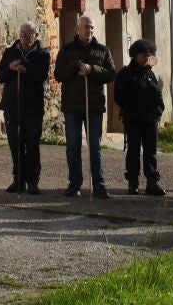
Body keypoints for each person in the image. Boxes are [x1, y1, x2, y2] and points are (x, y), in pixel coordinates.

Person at [54, 14, 115, 199]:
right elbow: (58, 75)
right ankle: (74, 184)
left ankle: (99, 185)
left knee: (94, 147)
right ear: (78, 29)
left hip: (94, 106)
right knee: (73, 147)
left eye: (91, 28)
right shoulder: (66, 50)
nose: (89, 31)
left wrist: (92, 69)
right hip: (72, 107)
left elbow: (111, 74)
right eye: (86, 27)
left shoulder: (102, 51)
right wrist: (75, 66)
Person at [0, 22, 50, 194]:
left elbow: (40, 76)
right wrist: (11, 67)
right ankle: (18, 180)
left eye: (29, 33)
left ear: (35, 35)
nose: (25, 36)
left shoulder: (42, 54)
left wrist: (25, 66)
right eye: (22, 33)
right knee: (15, 144)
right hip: (12, 106)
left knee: (32, 144)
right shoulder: (11, 52)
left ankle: (33, 181)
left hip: (33, 107)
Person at [112, 39, 166, 197]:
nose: (146, 58)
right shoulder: (125, 74)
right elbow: (119, 98)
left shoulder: (150, 73)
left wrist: (157, 112)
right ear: (135, 55)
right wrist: (133, 112)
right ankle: (133, 182)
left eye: (148, 55)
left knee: (151, 151)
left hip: (150, 120)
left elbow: (158, 95)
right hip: (133, 119)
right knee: (133, 151)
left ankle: (152, 182)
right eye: (143, 55)